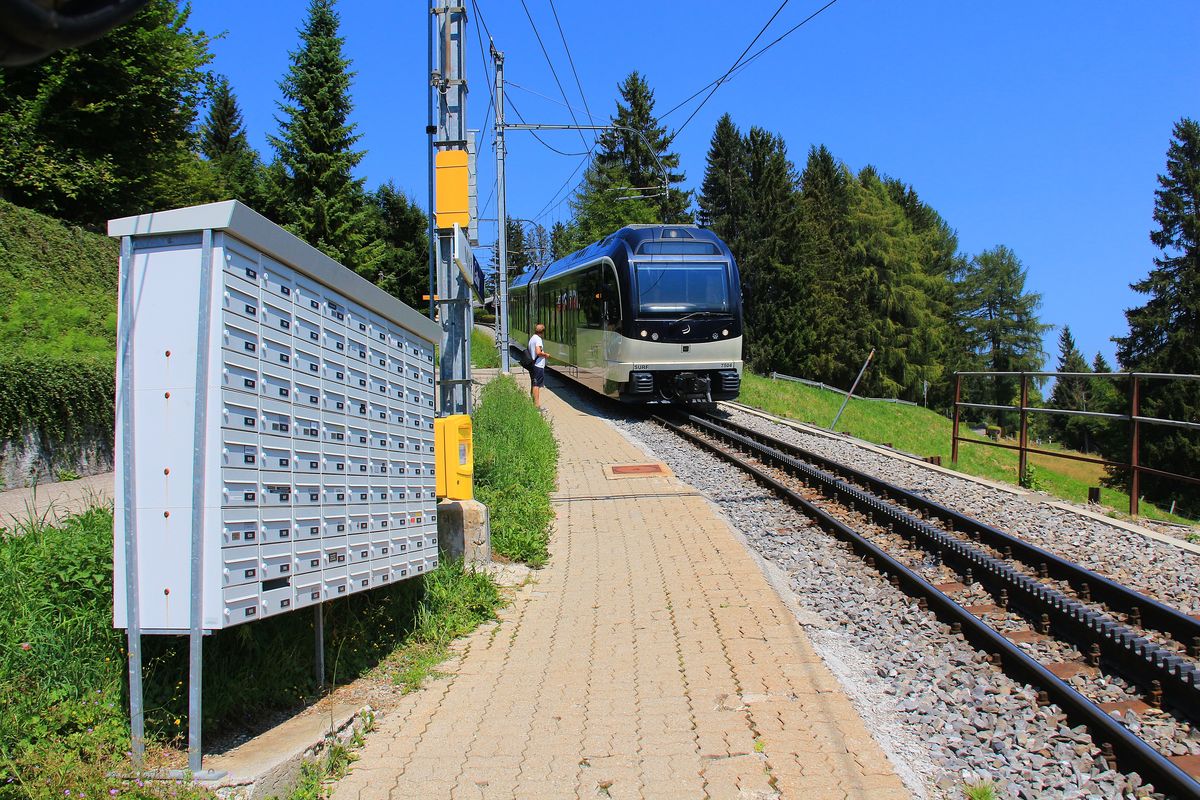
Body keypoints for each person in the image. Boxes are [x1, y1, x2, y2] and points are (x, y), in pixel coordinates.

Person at [527, 323, 547, 408]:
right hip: (538, 365)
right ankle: (537, 405)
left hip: (533, 364)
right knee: (536, 385)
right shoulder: (538, 339)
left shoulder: (532, 338)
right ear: (542, 332)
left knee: (534, 383)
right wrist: (546, 355)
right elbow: (538, 352)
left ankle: (533, 403)